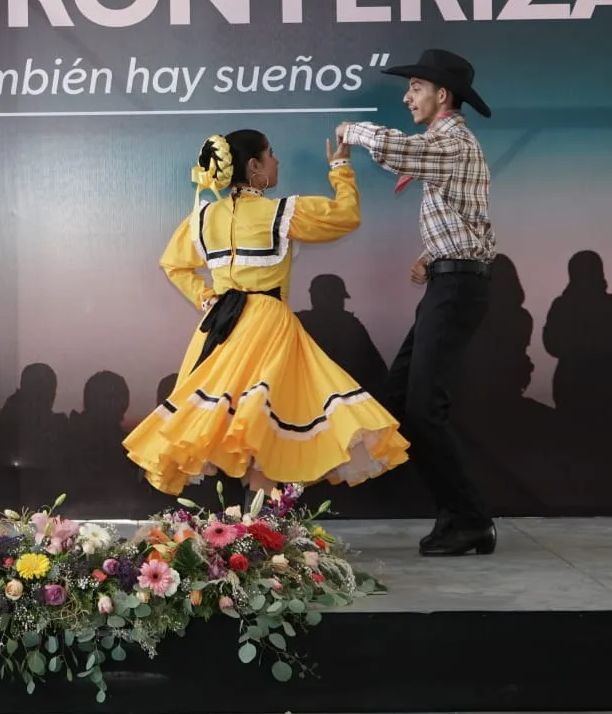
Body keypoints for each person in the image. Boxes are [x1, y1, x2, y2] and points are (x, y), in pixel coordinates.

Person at [123, 130, 410, 498]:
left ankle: (247, 524)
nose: (277, 161)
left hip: (221, 329)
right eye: (270, 154)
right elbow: (346, 215)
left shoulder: (203, 217)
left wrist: (207, 298)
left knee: (232, 421)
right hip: (267, 327)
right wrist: (340, 167)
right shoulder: (279, 213)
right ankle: (258, 523)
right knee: (262, 426)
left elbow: (174, 265)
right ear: (254, 166)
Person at [336, 48, 498, 557]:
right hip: (450, 283)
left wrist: (352, 130)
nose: (407, 97)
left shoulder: (451, 141)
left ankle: (469, 520)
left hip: (457, 288)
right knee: (405, 395)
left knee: (423, 407)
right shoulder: (450, 145)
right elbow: (473, 220)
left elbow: (397, 151)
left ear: (441, 95)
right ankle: (456, 515)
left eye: (415, 88)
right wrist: (434, 256)